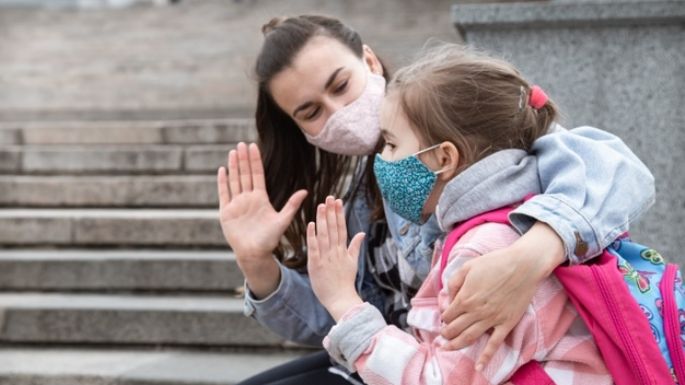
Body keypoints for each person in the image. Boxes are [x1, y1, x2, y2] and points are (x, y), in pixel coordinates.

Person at [217, 15, 654, 384]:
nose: (337, 113)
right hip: (402, 355)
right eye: (311, 112)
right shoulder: (357, 196)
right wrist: (258, 263)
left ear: (369, 61)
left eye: (341, 85)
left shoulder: (463, 125)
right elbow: (336, 315)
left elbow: (615, 168)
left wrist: (532, 254)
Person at [307, 43, 612, 385]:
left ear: (444, 159)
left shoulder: (481, 251)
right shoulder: (510, 220)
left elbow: (439, 380)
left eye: (391, 144)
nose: (383, 159)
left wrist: (343, 301)